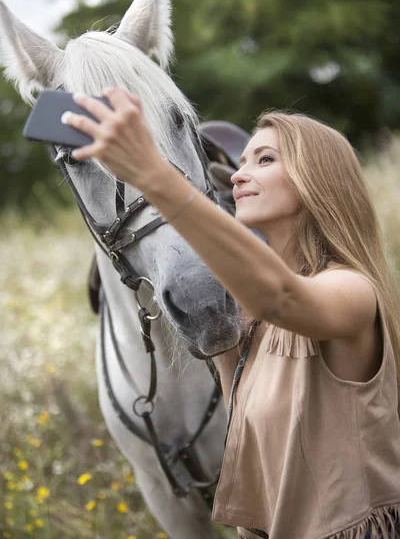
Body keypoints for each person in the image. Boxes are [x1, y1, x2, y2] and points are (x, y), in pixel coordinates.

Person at [62, 87, 400, 539]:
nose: (238, 175)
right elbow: (258, 467)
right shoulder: (248, 324)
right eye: (241, 162)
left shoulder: (353, 291)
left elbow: (280, 296)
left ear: (318, 179)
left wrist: (153, 174)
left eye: (264, 160)